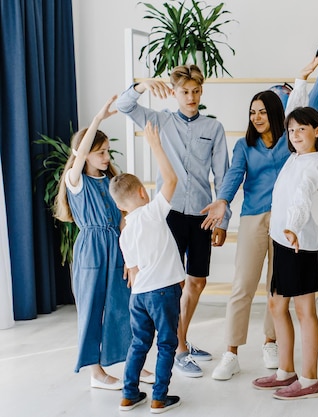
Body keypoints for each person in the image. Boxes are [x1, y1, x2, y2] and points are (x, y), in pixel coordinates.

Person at [202, 34, 318, 381]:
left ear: (275, 113)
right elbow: (232, 177)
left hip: (287, 221)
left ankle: (272, 343)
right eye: (251, 112)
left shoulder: (293, 140)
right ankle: (231, 351)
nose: (255, 117)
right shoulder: (244, 145)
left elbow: (314, 99)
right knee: (243, 284)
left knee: (277, 288)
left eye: (261, 111)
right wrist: (223, 201)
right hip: (255, 217)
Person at [117, 64, 230, 378]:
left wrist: (223, 219)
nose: (191, 97)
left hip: (204, 215)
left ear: (201, 91)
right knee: (173, 283)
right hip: (169, 215)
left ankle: (181, 340)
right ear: (175, 92)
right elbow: (123, 105)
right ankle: (179, 349)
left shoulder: (214, 128)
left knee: (197, 281)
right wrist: (142, 85)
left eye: (195, 91)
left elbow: (223, 177)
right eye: (184, 92)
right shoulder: (160, 120)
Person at [54, 95, 154, 389]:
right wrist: (97, 119)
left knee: (122, 307)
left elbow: (125, 222)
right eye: (100, 152)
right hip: (91, 253)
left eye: (107, 151)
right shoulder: (76, 181)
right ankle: (96, 373)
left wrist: (130, 256)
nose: (106, 157)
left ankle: (132, 363)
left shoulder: (113, 183)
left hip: (116, 248)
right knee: (92, 310)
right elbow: (79, 152)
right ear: (85, 154)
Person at [252, 106, 318, 400]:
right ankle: (286, 371)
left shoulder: (313, 164)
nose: (295, 135)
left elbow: (301, 198)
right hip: (281, 242)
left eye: (302, 129)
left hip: (298, 245)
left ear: (317, 131)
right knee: (276, 307)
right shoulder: (295, 157)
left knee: (304, 311)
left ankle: (309, 380)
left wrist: (293, 227)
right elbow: (295, 106)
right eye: (291, 130)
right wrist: (300, 79)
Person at [111, 121, 184, 414]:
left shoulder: (125, 230)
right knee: (167, 344)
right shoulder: (152, 212)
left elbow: (133, 271)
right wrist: (155, 145)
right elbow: (171, 180)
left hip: (138, 297)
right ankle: (158, 398)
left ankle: (129, 394)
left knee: (139, 344)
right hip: (163, 292)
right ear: (142, 192)